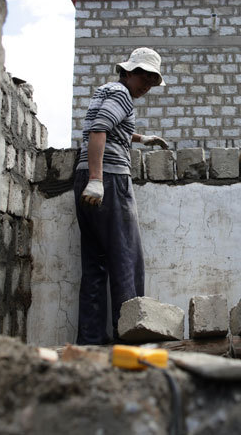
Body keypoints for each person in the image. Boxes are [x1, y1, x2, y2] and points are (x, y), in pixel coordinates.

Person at [74, 47, 169, 344]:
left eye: (153, 81)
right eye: (145, 77)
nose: (147, 85)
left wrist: (141, 138)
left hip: (84, 177)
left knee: (95, 264)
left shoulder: (107, 90)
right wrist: (97, 179)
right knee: (127, 260)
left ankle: (90, 341)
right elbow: (99, 130)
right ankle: (129, 338)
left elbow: (109, 127)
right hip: (109, 179)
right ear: (128, 71)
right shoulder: (121, 94)